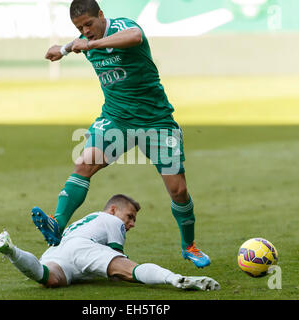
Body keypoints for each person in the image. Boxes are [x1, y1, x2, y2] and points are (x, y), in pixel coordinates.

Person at [33, 0, 210, 268]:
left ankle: (190, 246)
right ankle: (56, 223)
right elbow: (75, 44)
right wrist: (63, 49)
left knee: (178, 190)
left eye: (89, 24)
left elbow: (135, 36)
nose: (86, 31)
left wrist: (88, 45)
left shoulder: (122, 27)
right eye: (80, 28)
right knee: (84, 164)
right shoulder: (83, 39)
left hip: (157, 121)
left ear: (101, 16)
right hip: (116, 120)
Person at [0, 194, 220, 290]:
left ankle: (11, 251)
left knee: (48, 277)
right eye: (129, 216)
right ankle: (176, 279)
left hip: (58, 250)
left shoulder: (85, 220)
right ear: (113, 209)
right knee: (129, 270)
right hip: (84, 248)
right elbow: (117, 260)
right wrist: (123, 267)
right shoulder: (111, 220)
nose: (131, 224)